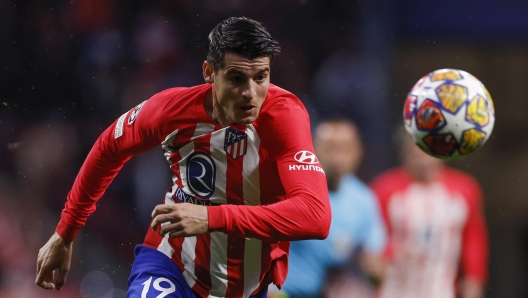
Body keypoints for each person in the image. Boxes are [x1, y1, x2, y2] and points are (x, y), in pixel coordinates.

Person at [35, 17, 331, 298]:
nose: (250, 93)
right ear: (209, 73)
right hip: (172, 266)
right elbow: (109, 147)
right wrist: (66, 232)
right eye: (236, 78)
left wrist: (211, 217)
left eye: (261, 77)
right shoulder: (172, 110)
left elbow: (316, 216)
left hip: (246, 288)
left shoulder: (284, 116)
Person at [271, 119, 387, 298]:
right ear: (311, 151)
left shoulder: (363, 201)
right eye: (329, 149)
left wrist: (375, 271)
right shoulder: (289, 189)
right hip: (280, 292)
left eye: (344, 150)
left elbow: (374, 261)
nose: (336, 159)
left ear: (358, 153)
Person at [371, 127, 488, 298]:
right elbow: (373, 241)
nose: (422, 155)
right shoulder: (384, 189)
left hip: (442, 290)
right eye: (416, 147)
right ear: (403, 151)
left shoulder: (464, 189)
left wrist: (473, 282)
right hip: (395, 290)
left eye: (429, 146)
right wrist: (393, 252)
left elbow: (473, 241)